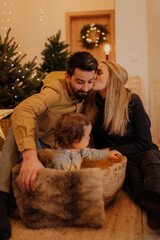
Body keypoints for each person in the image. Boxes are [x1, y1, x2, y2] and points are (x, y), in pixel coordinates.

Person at [0, 51, 98, 239]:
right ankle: (1, 197)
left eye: (90, 81)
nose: (86, 88)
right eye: (79, 82)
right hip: (39, 149)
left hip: (64, 155)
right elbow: (23, 109)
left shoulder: (90, 92)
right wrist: (30, 156)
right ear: (68, 77)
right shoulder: (55, 92)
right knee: (22, 117)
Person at [82, 60, 160, 230]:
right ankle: (156, 215)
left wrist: (109, 150)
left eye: (99, 72)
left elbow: (145, 141)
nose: (93, 75)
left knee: (154, 182)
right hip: (122, 159)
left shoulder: (132, 100)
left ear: (113, 79)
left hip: (144, 151)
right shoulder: (90, 103)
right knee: (139, 190)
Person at [50, 112, 121, 170]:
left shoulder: (78, 150)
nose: (89, 138)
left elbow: (91, 153)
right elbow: (61, 181)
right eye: (87, 137)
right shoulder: (61, 160)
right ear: (75, 140)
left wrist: (107, 154)